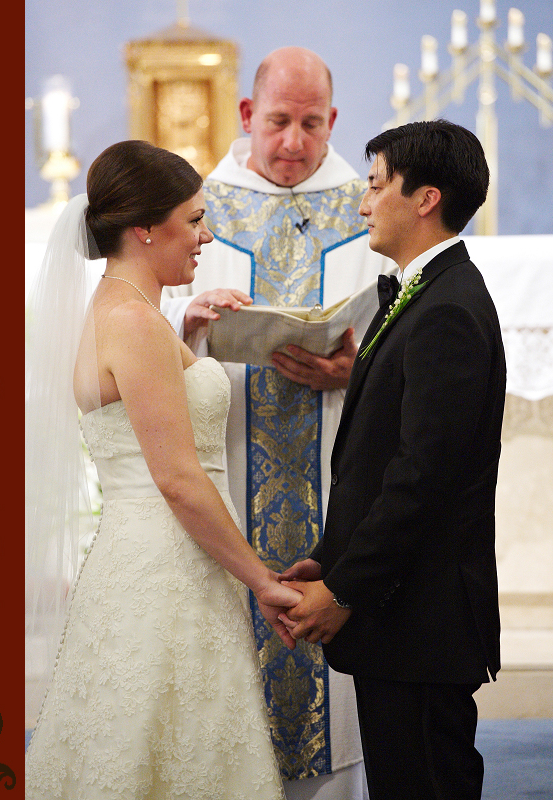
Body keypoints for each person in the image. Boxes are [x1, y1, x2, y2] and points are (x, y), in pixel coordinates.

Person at [24, 140, 302, 799]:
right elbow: (177, 480)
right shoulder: (138, 326)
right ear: (146, 228)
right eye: (195, 217)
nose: (205, 236)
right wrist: (263, 581)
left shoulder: (120, 314)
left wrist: (193, 335)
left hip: (133, 560)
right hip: (172, 564)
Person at [163, 47, 393, 798]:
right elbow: (147, 324)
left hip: (336, 468)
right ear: (245, 118)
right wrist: (191, 323)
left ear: (335, 122)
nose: (294, 142)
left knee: (341, 713)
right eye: (279, 122)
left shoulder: (370, 206)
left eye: (312, 124)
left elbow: (403, 341)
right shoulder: (195, 203)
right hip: (227, 470)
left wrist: (355, 370)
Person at [279, 120, 506, 800]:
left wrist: (346, 590)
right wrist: (330, 557)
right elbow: (381, 459)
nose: (363, 202)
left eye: (375, 186)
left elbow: (422, 479)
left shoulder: (448, 311)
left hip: (420, 614)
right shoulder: (419, 293)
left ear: (425, 198)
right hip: (400, 608)